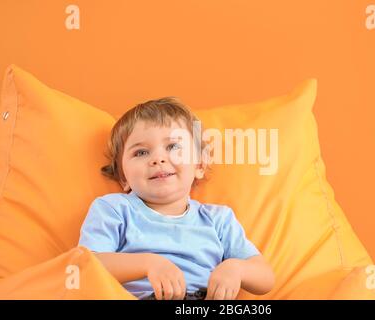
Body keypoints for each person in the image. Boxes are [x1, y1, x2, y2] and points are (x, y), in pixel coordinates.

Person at [78, 97, 275, 300]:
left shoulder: (218, 219)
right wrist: (148, 264)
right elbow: (86, 265)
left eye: (172, 146)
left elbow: (266, 278)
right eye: (141, 152)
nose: (158, 158)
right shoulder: (114, 209)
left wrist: (236, 268)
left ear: (199, 165)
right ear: (123, 177)